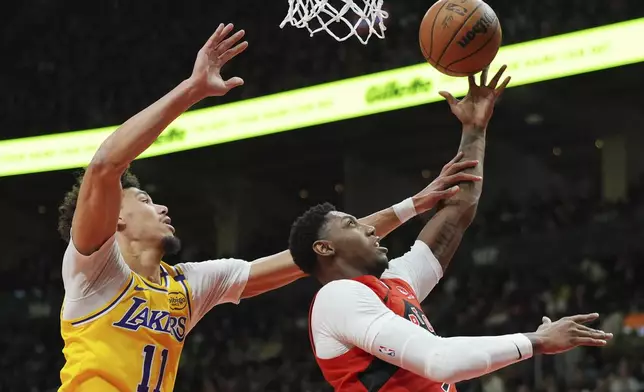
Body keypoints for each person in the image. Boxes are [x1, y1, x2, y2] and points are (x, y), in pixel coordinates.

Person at [55, 23, 483, 392]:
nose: (162, 206)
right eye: (145, 200)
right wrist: (192, 90)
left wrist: (411, 205)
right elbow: (106, 165)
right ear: (116, 218)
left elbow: (311, 252)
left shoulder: (185, 285)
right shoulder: (94, 272)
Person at [288, 66, 613, 391]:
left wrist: (474, 130)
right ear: (324, 248)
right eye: (352, 224)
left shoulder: (394, 285)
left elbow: (457, 212)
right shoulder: (337, 297)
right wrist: (536, 341)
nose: (373, 229)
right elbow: (440, 361)